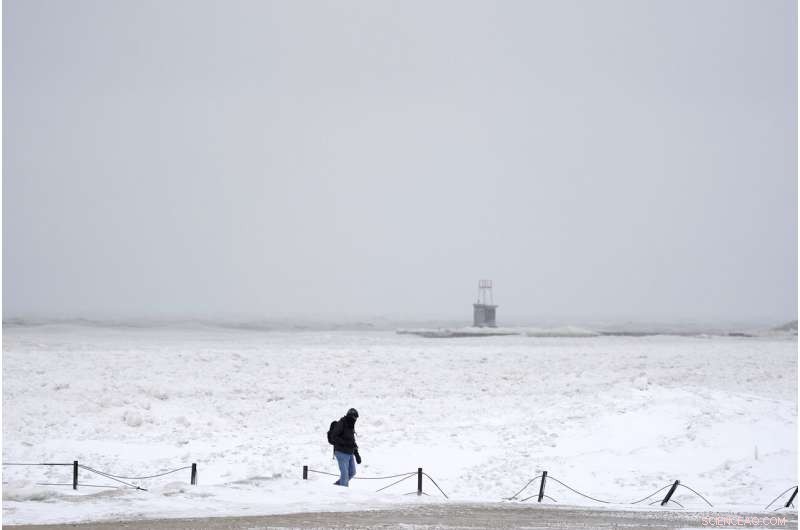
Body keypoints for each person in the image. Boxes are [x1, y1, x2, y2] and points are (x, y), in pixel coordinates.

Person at [331, 408, 361, 487]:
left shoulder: (351, 425)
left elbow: (352, 440)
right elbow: (333, 436)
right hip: (341, 452)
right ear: (350, 416)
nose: (355, 420)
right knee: (344, 475)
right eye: (354, 417)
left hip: (349, 452)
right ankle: (343, 495)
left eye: (356, 418)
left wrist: (357, 454)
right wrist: (345, 443)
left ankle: (335, 487)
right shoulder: (342, 423)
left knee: (352, 472)